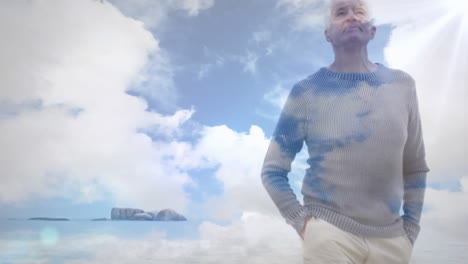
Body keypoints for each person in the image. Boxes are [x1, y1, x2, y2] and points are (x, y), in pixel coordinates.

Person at [260, 0, 430, 263]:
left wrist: (410, 231)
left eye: (358, 11)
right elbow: (273, 169)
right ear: (328, 35)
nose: (351, 17)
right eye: (340, 12)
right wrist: (304, 224)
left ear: (372, 30)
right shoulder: (306, 92)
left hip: (393, 242)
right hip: (330, 235)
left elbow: (415, 166)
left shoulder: (403, 85)